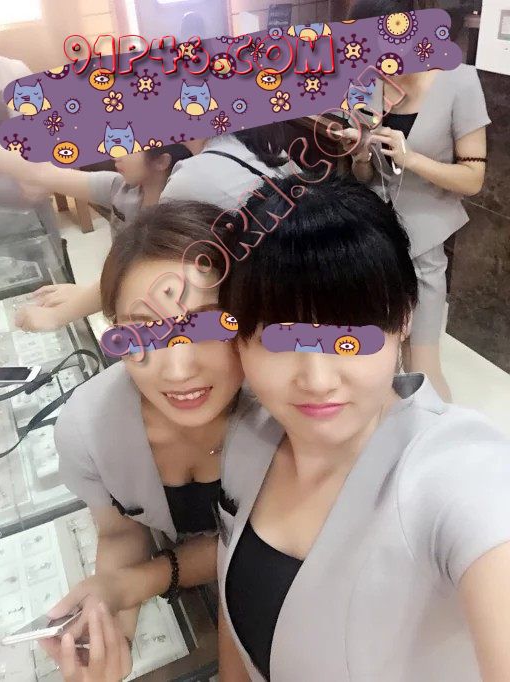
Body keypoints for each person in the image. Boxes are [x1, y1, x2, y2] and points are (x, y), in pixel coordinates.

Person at [215, 174, 510, 681]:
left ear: (403, 321)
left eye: (349, 337)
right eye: (279, 340)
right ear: (238, 340)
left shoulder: (453, 471)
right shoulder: (249, 433)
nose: (317, 380)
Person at [46, 201, 245, 663]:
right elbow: (120, 533)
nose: (178, 370)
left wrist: (140, 581)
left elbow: (274, 545)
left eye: (210, 326)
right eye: (142, 335)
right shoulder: (89, 431)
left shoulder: (285, 417)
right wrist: (113, 633)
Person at [336, 0, 490, 401]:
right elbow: (365, 178)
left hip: (424, 249)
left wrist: (412, 159)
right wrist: (360, 153)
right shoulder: (365, 84)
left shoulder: (459, 81)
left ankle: (434, 432)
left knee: (423, 367)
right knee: (379, 360)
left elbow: (473, 179)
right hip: (376, 245)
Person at [0, 124, 294, 332]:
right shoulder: (128, 190)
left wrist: (60, 315)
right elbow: (41, 174)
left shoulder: (193, 182)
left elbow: (148, 276)